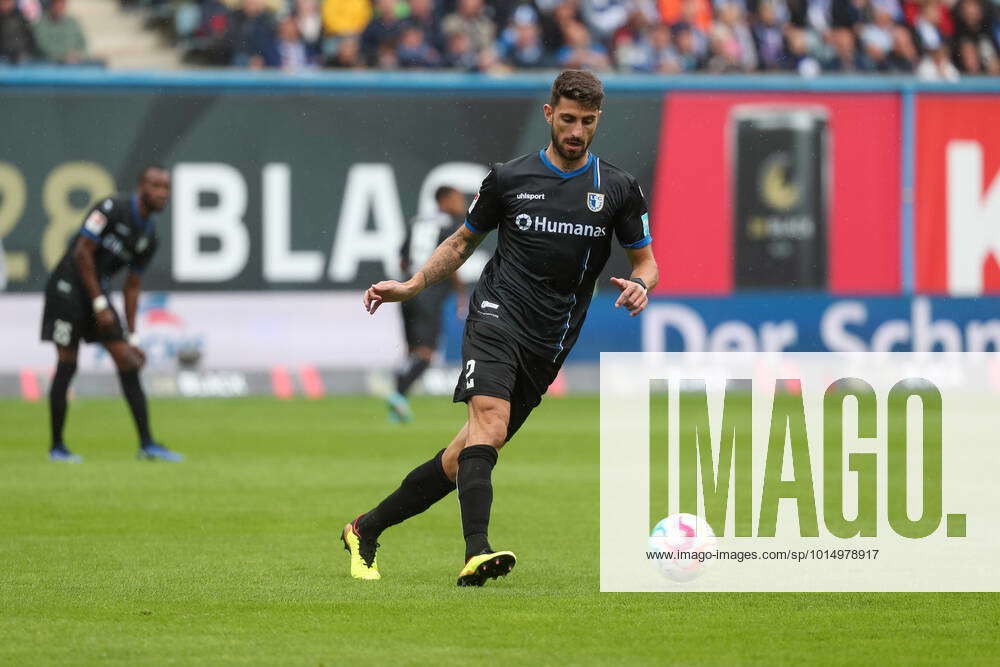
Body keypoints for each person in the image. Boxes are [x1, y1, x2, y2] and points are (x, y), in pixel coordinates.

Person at [345, 69, 657, 586]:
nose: (577, 131)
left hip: (550, 339)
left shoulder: (618, 188)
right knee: (488, 423)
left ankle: (365, 527)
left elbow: (646, 261)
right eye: (568, 119)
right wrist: (413, 284)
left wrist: (642, 283)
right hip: (495, 315)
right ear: (549, 115)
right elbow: (463, 242)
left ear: (597, 121)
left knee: (459, 457)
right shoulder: (509, 178)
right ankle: (477, 551)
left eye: (587, 122)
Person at [40, 166, 183, 464]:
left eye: (166, 188)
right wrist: (100, 304)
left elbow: (132, 286)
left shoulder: (149, 235)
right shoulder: (111, 208)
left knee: (128, 361)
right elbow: (81, 253)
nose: (162, 193)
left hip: (96, 294)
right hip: (68, 287)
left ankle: (147, 445)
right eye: (156, 186)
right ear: (141, 186)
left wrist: (132, 335)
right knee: (68, 362)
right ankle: (57, 447)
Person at [386, 186, 468, 423]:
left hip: (406, 289)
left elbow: (402, 260)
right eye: (456, 198)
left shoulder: (418, 222)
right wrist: (460, 291)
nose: (460, 203)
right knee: (426, 354)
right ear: (443, 200)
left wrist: (411, 281)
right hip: (429, 292)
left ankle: (398, 402)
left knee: (411, 351)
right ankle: (397, 394)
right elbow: (449, 260)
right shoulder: (453, 225)